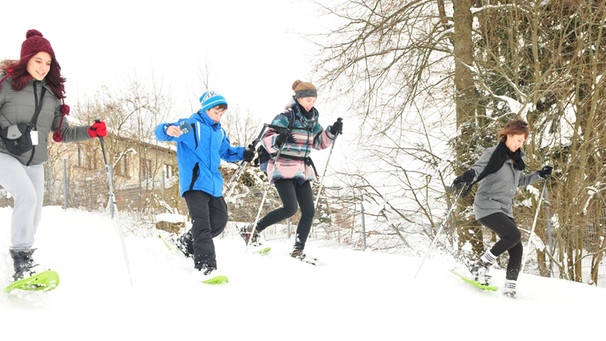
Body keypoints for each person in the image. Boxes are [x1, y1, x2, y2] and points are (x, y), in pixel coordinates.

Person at [0, 29, 107, 281]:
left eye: (48, 62)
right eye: (38, 60)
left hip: (35, 159)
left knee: (35, 211)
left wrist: (90, 132)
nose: (43, 67)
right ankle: (22, 261)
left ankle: (22, 257)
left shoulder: (52, 94)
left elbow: (62, 133)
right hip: (4, 153)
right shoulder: (5, 84)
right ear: (26, 59)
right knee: (26, 196)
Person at [154, 90, 255, 275]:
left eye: (221, 114)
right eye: (216, 112)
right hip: (194, 184)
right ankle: (206, 267)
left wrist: (243, 153)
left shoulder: (219, 132)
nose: (218, 117)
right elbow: (162, 133)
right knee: (202, 225)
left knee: (220, 220)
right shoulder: (191, 126)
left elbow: (226, 152)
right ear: (207, 109)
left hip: (213, 185)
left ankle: (185, 243)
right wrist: (167, 129)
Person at [240, 80, 342, 260]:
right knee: (290, 208)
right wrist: (279, 139)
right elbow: (267, 137)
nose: (312, 103)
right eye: (309, 99)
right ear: (299, 98)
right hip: (282, 166)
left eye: (314, 100)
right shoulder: (286, 116)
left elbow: (319, 143)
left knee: (309, 210)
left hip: (302, 170)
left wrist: (331, 132)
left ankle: (298, 249)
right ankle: (252, 229)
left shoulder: (312, 120)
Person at [451, 117, 552, 299]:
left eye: (523, 142)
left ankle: (510, 289)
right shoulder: (493, 154)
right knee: (513, 235)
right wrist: (467, 177)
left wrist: (539, 175)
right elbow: (479, 168)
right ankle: (480, 264)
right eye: (518, 140)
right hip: (487, 205)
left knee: (516, 247)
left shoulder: (517, 160)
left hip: (504, 208)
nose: (520, 145)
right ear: (509, 135)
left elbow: (518, 181)